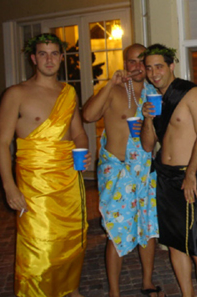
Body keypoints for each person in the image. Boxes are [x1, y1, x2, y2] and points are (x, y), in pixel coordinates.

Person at [0, 33, 90, 297]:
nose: (49, 59)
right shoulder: (16, 94)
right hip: (35, 183)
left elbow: (78, 132)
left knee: (73, 236)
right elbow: (2, 143)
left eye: (54, 53)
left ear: (62, 58)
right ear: (34, 59)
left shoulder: (69, 92)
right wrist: (9, 187)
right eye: (43, 54)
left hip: (69, 177)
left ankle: (69, 288)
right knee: (39, 243)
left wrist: (83, 151)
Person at [82, 43, 161, 297]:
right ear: (125, 64)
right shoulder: (114, 91)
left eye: (142, 61)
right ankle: (114, 292)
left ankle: (147, 282)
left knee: (148, 229)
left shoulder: (155, 93)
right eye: (131, 61)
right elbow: (89, 115)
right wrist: (107, 85)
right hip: (117, 173)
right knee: (116, 232)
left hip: (147, 171)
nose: (137, 66)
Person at [140, 43, 197, 297]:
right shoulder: (154, 99)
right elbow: (148, 145)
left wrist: (191, 174)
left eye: (159, 66)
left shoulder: (191, 93)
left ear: (171, 66)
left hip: (190, 176)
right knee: (175, 245)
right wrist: (148, 119)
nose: (154, 73)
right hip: (165, 177)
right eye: (149, 68)